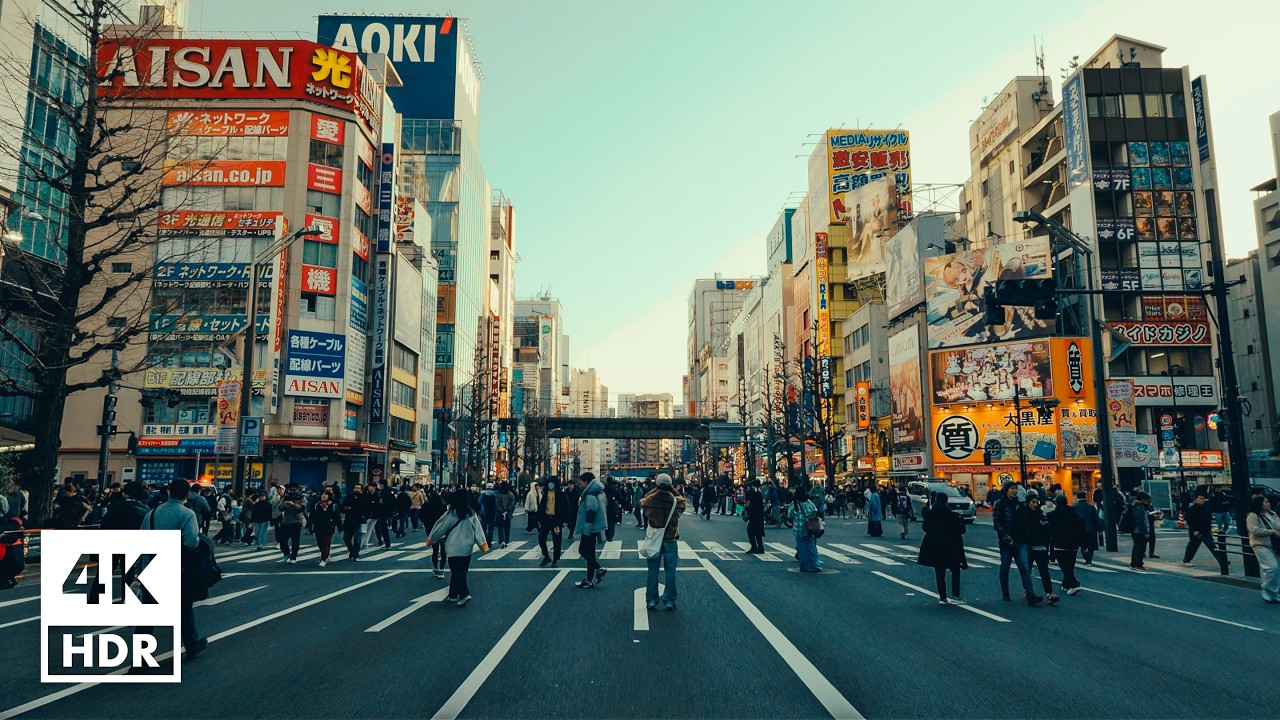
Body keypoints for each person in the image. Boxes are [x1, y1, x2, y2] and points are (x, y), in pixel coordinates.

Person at [141, 479, 207, 658]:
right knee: (184, 608)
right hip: (177, 568)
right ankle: (192, 645)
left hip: (152, 567)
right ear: (188, 494)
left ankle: (141, 657)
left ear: (169, 491)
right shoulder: (187, 514)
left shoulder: (152, 514)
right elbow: (191, 542)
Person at [428, 488, 490, 607]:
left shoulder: (450, 513)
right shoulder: (471, 513)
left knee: (456, 572)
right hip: (467, 548)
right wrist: (483, 545)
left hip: (453, 547)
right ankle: (452, 594)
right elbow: (478, 530)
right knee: (462, 571)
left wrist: (431, 539)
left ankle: (463, 594)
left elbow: (440, 527)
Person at [640, 474, 685, 610]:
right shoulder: (677, 502)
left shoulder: (650, 501)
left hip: (655, 539)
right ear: (671, 485)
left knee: (652, 571)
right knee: (670, 571)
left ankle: (651, 600)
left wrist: (655, 489)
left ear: (657, 485)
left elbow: (643, 501)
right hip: (670, 539)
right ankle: (669, 600)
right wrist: (672, 489)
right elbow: (682, 501)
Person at [917, 491, 967, 604]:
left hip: (935, 545)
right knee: (955, 569)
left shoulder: (931, 513)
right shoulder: (951, 515)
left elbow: (925, 527)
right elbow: (960, 529)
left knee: (939, 571)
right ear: (946, 501)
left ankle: (942, 597)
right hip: (951, 544)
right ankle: (956, 595)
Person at [993, 483, 1036, 603]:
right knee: (1005, 566)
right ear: (1006, 490)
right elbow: (997, 522)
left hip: (1020, 540)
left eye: (1016, 489)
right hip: (1006, 540)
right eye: (1012, 489)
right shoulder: (1000, 504)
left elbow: (1025, 521)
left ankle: (1030, 594)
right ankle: (1005, 592)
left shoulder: (1020, 504)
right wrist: (1004, 535)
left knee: (1024, 567)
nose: (1015, 491)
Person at [1016, 492, 1058, 605]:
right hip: (1028, 546)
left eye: (1036, 502)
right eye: (1032, 502)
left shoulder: (1041, 514)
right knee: (1027, 570)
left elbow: (1047, 530)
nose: (1035, 504)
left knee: (1044, 570)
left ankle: (1049, 593)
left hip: (1040, 546)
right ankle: (1028, 590)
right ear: (1028, 503)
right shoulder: (1023, 514)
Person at [573, 472, 609, 589]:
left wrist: (587, 529)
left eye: (582, 481)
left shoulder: (590, 495)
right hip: (596, 527)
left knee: (583, 550)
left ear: (587, 482)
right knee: (590, 552)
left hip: (590, 528)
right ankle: (589, 579)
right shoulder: (600, 492)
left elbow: (591, 511)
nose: (580, 483)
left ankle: (598, 569)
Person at [1047, 493, 1084, 595]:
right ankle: (1066, 584)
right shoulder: (1074, 514)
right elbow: (1081, 528)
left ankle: (1074, 584)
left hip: (1060, 543)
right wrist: (1084, 543)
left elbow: (1049, 530)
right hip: (1074, 544)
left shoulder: (1052, 515)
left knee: (1064, 565)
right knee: (1070, 564)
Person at [1246, 495, 1280, 603]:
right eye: (1265, 502)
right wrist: (1272, 532)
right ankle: (1266, 588)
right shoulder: (1253, 516)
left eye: (1268, 502)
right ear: (1259, 503)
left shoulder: (1272, 514)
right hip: (1260, 545)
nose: (1268, 503)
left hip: (1274, 545)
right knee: (1272, 567)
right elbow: (1254, 530)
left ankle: (1273, 592)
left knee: (1277, 569)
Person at [1182, 492, 1228, 573]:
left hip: (1205, 531)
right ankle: (1186, 560)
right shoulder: (1191, 509)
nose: (1202, 500)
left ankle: (1222, 561)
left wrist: (1209, 530)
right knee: (1192, 546)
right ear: (1196, 499)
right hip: (1196, 531)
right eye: (1200, 499)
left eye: (1203, 499)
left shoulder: (1206, 508)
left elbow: (1209, 520)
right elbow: (1190, 521)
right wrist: (1194, 530)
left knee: (1212, 546)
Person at [536, 477, 570, 567]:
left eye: (552, 483)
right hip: (546, 519)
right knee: (541, 539)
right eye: (549, 483)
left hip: (556, 520)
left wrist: (565, 520)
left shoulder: (561, 494)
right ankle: (546, 556)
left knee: (557, 541)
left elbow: (566, 508)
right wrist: (539, 519)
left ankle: (556, 559)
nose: (550, 485)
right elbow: (541, 507)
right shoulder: (545, 494)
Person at [787, 488, 822, 573]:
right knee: (811, 546)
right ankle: (815, 565)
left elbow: (790, 515)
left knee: (801, 548)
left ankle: (804, 566)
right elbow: (815, 511)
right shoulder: (809, 502)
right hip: (809, 528)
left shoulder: (794, 503)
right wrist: (809, 518)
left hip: (798, 529)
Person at [421, 486, 448, 579]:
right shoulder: (442, 506)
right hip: (442, 531)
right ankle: (441, 570)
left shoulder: (426, 506)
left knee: (435, 550)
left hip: (432, 531)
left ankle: (435, 568)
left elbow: (421, 517)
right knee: (443, 551)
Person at [308, 490, 340, 567]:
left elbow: (337, 517)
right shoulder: (317, 505)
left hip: (329, 527)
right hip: (318, 526)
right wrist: (309, 525)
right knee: (320, 543)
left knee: (325, 543)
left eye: (326, 494)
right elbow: (312, 516)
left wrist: (340, 527)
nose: (323, 496)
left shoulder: (333, 505)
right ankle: (326, 554)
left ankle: (323, 559)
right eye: (322, 494)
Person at [340, 484, 369, 561]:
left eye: (359, 488)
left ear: (361, 490)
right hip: (348, 521)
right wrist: (346, 508)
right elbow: (342, 508)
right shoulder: (349, 497)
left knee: (357, 538)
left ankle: (356, 554)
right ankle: (352, 551)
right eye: (355, 488)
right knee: (346, 538)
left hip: (359, 521)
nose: (357, 489)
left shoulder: (364, 498)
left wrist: (365, 516)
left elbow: (368, 509)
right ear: (353, 489)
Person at [278, 489, 306, 564]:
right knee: (282, 539)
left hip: (296, 521)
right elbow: (280, 508)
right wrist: (284, 505)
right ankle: (286, 553)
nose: (292, 491)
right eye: (291, 489)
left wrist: (293, 504)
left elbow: (301, 508)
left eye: (294, 489)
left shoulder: (301, 497)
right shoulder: (286, 497)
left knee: (295, 541)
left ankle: (293, 557)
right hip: (286, 521)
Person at [1073, 491, 1102, 565]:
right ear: (1085, 497)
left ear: (1077, 497)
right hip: (1091, 529)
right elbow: (1096, 518)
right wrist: (1099, 529)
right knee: (1091, 545)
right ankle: (1089, 559)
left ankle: (1086, 557)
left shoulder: (1074, 507)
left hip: (1078, 529)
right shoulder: (1091, 507)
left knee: (1082, 544)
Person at [1127, 492, 1152, 571]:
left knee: (1136, 546)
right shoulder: (1139, 507)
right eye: (1146, 500)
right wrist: (1146, 532)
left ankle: (1133, 563)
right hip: (1139, 530)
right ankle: (1138, 564)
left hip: (1134, 529)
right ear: (1142, 499)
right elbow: (1141, 521)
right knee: (1141, 547)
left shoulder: (1133, 505)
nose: (1147, 502)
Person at [744, 481, 766, 553]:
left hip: (755, 515)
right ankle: (760, 548)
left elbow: (752, 505)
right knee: (758, 532)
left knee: (750, 530)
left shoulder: (755, 494)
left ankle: (754, 547)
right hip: (759, 515)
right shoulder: (758, 494)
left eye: (752, 486)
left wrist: (747, 507)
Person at [496, 482, 516, 548]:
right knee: (507, 527)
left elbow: (497, 504)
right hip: (508, 513)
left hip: (500, 513)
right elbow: (512, 504)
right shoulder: (511, 494)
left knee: (501, 527)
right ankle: (506, 541)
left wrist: (501, 511)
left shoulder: (499, 494)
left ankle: (502, 541)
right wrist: (507, 511)